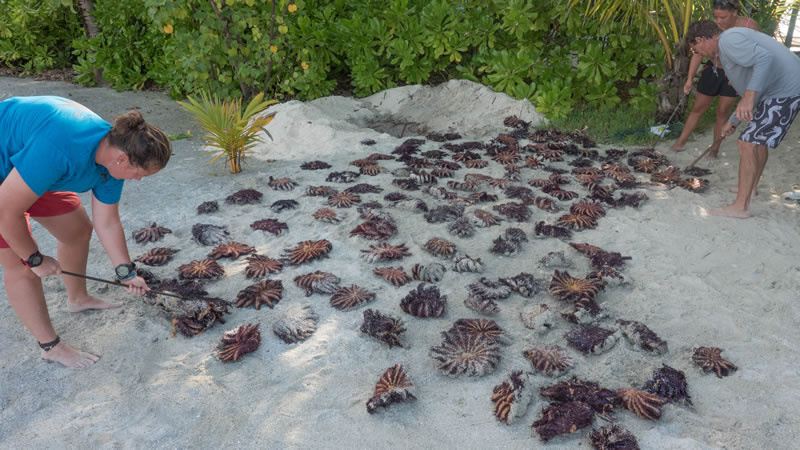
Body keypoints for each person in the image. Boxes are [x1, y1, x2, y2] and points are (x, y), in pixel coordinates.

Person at [0, 96, 171, 367]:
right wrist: (34, 258)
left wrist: (126, 272)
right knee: (20, 266)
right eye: (139, 174)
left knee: (78, 230)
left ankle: (77, 298)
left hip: (28, 166)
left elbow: (108, 223)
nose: (137, 180)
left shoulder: (111, 165)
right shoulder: (61, 147)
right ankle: (50, 347)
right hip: (15, 167)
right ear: (122, 160)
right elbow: (5, 212)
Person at [686, 20, 800, 218]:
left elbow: (765, 59)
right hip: (777, 92)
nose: (700, 54)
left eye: (696, 49)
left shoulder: (728, 40)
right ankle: (751, 189)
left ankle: (741, 207)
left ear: (700, 39)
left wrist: (747, 97)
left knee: (747, 143)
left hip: (784, 91)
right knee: (757, 142)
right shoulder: (730, 47)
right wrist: (734, 120)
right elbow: (757, 85)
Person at [670, 0, 760, 156]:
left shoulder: (749, 26)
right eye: (716, 17)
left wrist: (745, 79)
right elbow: (698, 53)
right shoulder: (710, 28)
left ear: (735, 12)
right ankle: (680, 143)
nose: (718, 21)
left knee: (723, 112)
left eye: (723, 17)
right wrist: (690, 79)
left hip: (734, 76)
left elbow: (759, 55)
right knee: (698, 108)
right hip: (712, 70)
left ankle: (714, 149)